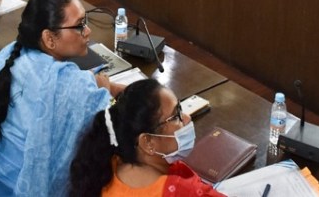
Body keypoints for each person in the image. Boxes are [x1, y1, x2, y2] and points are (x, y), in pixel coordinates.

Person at [0, 0, 123, 196]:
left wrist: (104, 85)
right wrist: (105, 90)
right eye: (80, 25)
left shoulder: (11, 53)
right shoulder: (74, 85)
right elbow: (111, 129)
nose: (88, 31)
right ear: (49, 38)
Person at [70, 79, 224, 197]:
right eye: (176, 116)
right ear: (148, 142)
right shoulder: (181, 192)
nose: (187, 118)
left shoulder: (108, 166)